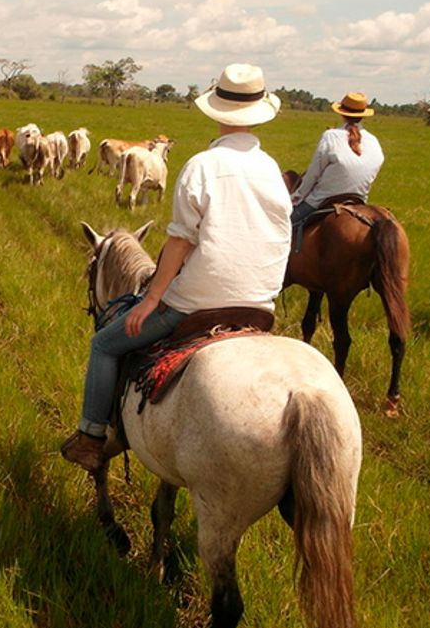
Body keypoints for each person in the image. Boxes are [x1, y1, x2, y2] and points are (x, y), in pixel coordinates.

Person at [60, 63, 292, 472]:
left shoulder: (202, 165)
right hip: (260, 302)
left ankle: (91, 435)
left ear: (216, 112)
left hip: (197, 301)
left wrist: (151, 298)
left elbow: (181, 239)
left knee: (105, 344)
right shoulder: (272, 168)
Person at [289, 92, 384, 251]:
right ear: (363, 115)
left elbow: (313, 174)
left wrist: (297, 197)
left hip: (321, 199)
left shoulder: (330, 136)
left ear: (341, 113)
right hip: (359, 200)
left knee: (282, 226)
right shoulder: (374, 141)